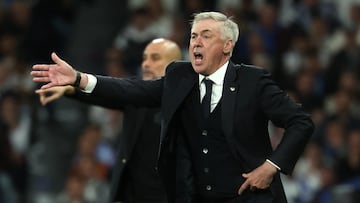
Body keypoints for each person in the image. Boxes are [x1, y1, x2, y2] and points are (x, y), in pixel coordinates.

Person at [31, 12, 314, 203]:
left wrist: (271, 166)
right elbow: (135, 90)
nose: (196, 42)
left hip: (251, 198)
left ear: (227, 46)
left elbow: (300, 122)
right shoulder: (181, 76)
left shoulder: (253, 81)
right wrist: (80, 79)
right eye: (193, 36)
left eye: (205, 36)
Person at [35, 38, 182, 203]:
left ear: (175, 65)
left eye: (155, 58)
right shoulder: (134, 95)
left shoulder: (185, 103)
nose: (146, 64)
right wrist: (72, 89)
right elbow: (109, 93)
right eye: (145, 58)